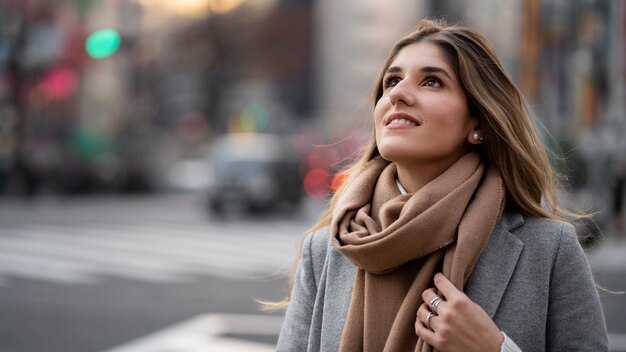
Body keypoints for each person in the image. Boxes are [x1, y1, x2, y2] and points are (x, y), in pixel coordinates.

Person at [272, 19, 608, 352]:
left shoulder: (550, 249)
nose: (398, 95)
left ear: (477, 122)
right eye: (391, 81)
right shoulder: (326, 251)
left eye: (431, 81)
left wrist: (493, 349)